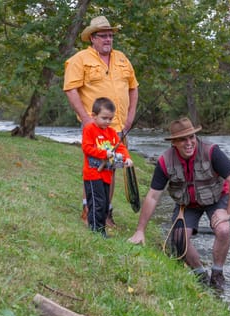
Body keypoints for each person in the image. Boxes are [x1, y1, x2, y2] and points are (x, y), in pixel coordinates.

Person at [128, 117, 230, 291]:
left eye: (192, 137)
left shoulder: (211, 151)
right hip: (187, 204)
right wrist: (140, 230)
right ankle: (200, 274)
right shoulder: (164, 161)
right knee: (179, 239)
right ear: (174, 142)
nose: (189, 143)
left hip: (216, 198)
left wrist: (228, 213)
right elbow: (152, 196)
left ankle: (217, 273)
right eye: (183, 139)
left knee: (224, 230)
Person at [63, 15, 139, 227]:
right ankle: (90, 210)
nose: (108, 39)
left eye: (110, 36)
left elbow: (134, 88)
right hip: (95, 126)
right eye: (103, 36)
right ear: (92, 38)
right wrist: (87, 120)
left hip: (121, 126)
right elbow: (70, 89)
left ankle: (106, 212)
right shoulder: (80, 59)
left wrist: (131, 117)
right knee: (96, 166)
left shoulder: (122, 59)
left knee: (112, 167)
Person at [82, 97, 133, 238]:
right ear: (94, 116)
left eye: (110, 119)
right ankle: (95, 230)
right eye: (104, 118)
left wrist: (127, 157)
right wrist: (104, 153)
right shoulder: (89, 129)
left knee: (104, 203)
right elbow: (86, 148)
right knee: (97, 202)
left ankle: (101, 229)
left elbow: (120, 147)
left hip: (106, 175)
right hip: (93, 174)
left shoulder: (111, 133)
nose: (108, 122)